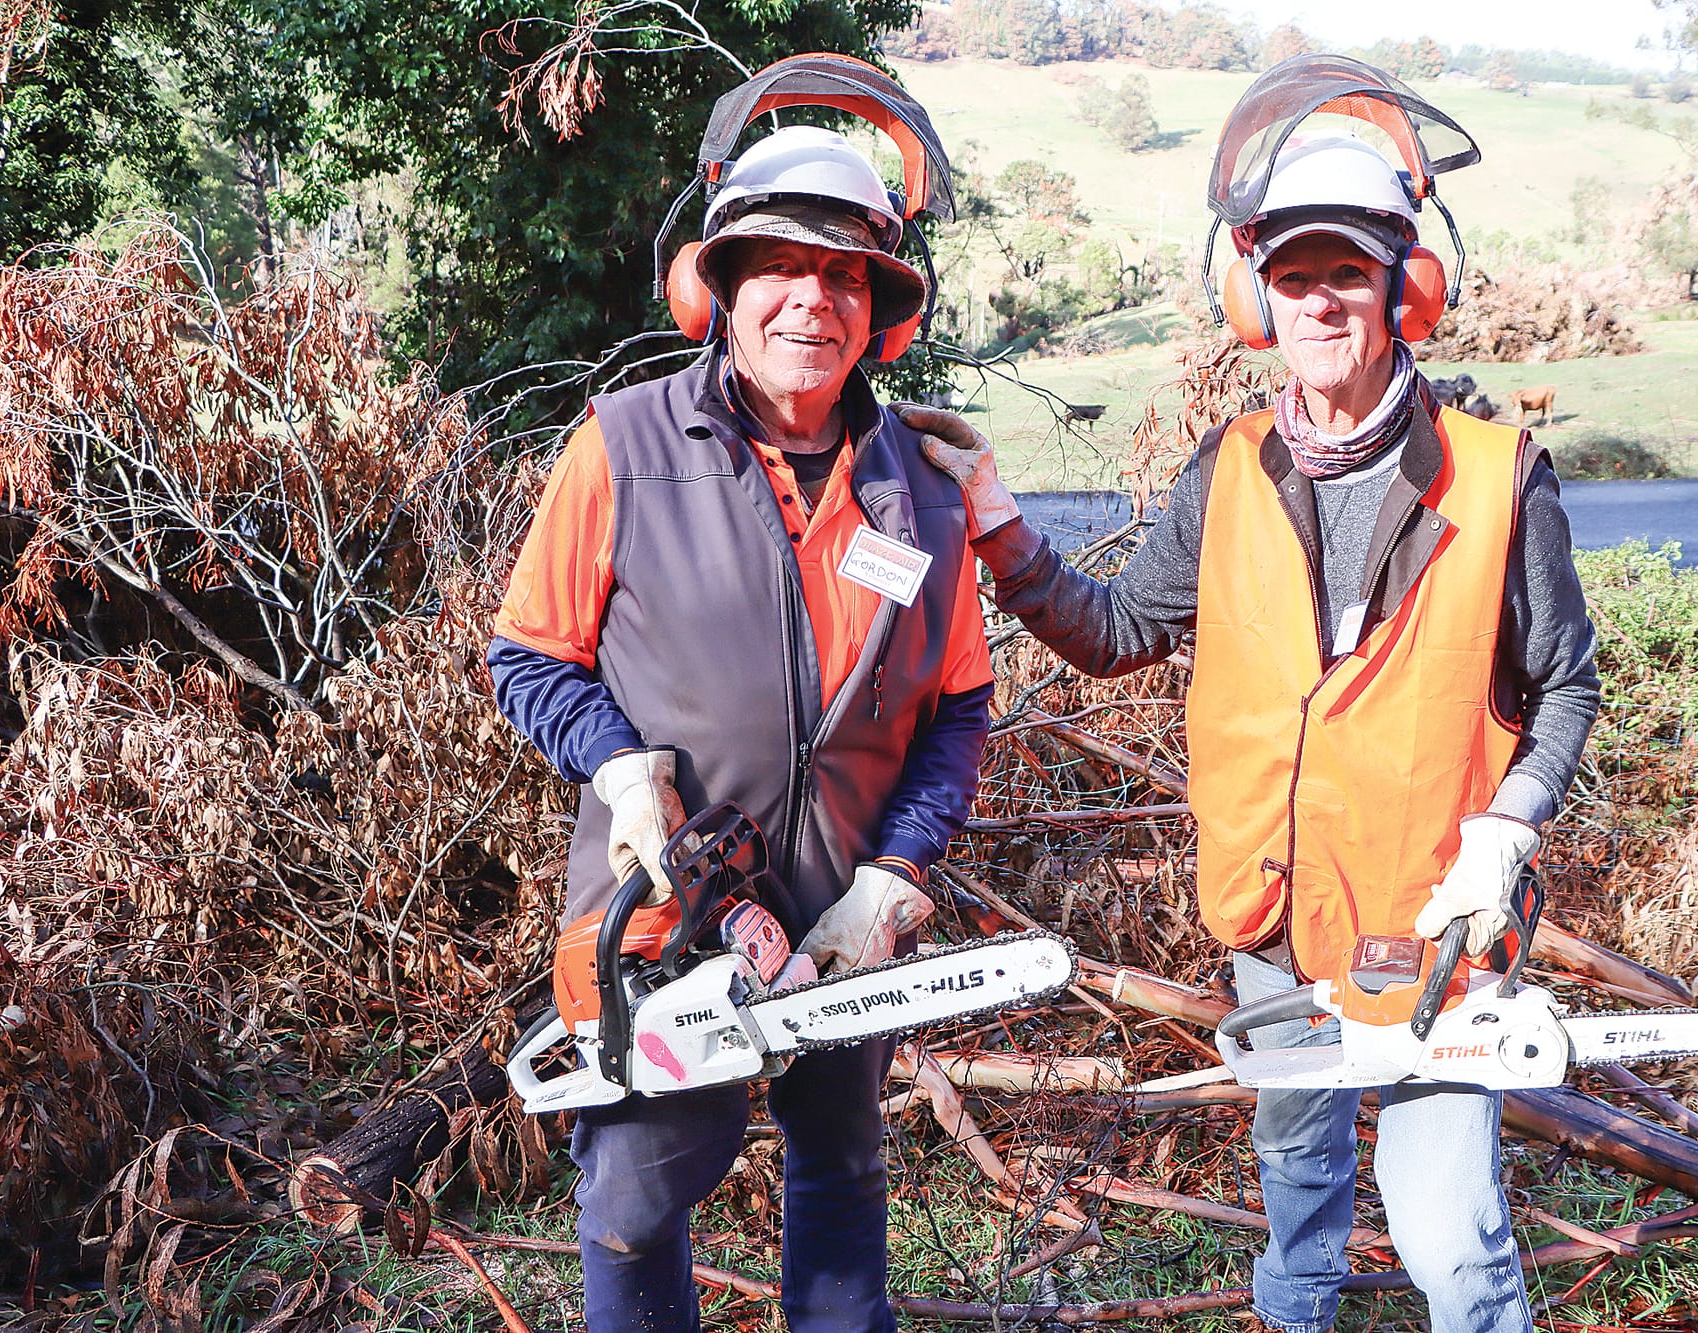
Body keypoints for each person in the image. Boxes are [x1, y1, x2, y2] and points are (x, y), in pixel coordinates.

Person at [903, 127, 1599, 1333]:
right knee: (1296, 1169)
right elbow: (1119, 628)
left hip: (1432, 917)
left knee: (1443, 1236)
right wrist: (997, 526)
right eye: (1294, 275)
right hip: (1271, 907)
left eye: (1348, 271)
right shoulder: (1226, 468)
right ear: (1255, 297)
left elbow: (1565, 684)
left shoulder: (1495, 475)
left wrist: (1503, 833)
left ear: (1402, 287)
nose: (1320, 299)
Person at [489, 122, 995, 1333]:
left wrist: (896, 870)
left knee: (841, 1167)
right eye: (777, 267)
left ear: (879, 306)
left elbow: (958, 706)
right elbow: (527, 654)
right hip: (669, 898)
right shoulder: (623, 444)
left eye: (841, 276)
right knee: (636, 1195)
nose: (808, 302)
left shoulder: (919, 486)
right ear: (717, 287)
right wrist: (619, 771)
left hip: (840, 913)